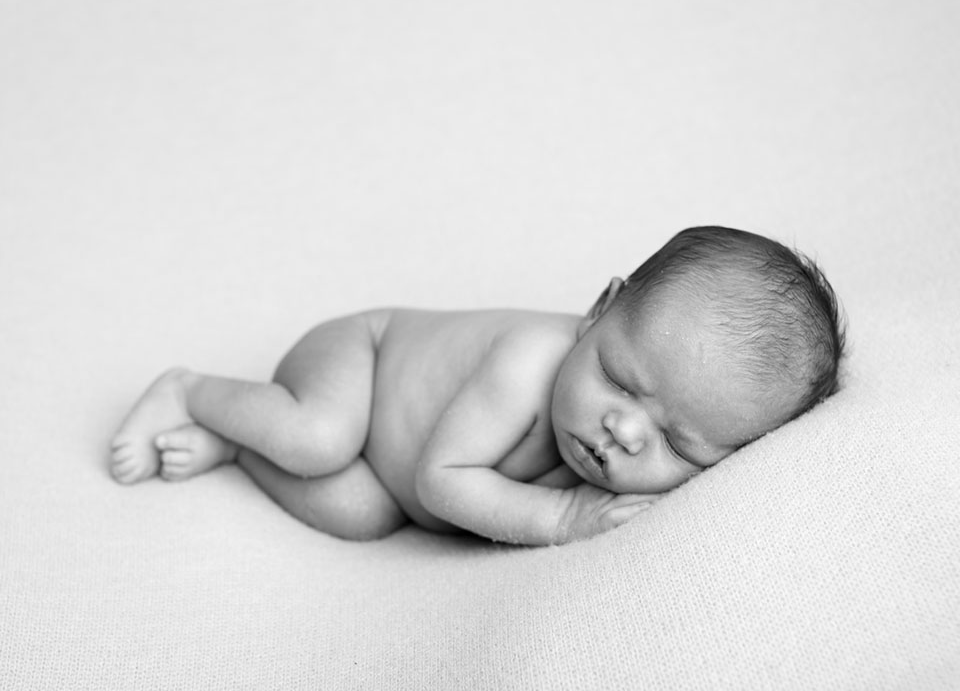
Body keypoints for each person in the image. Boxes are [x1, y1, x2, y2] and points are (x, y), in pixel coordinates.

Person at [109, 226, 845, 545]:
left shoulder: (617, 441)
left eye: (677, 442)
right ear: (597, 310)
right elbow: (440, 480)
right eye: (618, 379)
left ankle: (236, 444)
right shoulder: (529, 361)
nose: (624, 430)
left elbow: (410, 497)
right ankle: (190, 390)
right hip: (360, 359)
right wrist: (561, 521)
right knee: (318, 437)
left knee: (360, 513)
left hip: (385, 474)